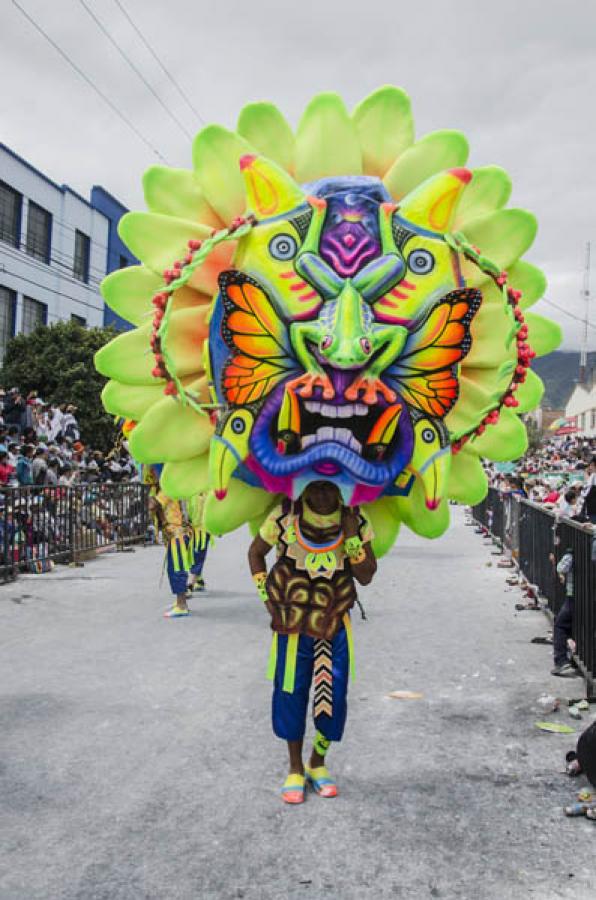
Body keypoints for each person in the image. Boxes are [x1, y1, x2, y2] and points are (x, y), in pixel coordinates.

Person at [247, 480, 376, 804]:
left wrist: (350, 537)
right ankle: (294, 767)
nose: (321, 494)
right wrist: (267, 598)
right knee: (290, 692)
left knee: (332, 696)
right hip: (292, 627)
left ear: (342, 489)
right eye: (314, 486)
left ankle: (317, 762)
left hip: (334, 625)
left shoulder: (355, 518)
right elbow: (256, 553)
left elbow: (366, 574)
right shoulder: (284, 516)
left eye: (330, 487)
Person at [551, 548, 576, 677]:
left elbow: (561, 568)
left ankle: (561, 661)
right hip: (588, 596)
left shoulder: (572, 553)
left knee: (560, 625)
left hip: (573, 596)